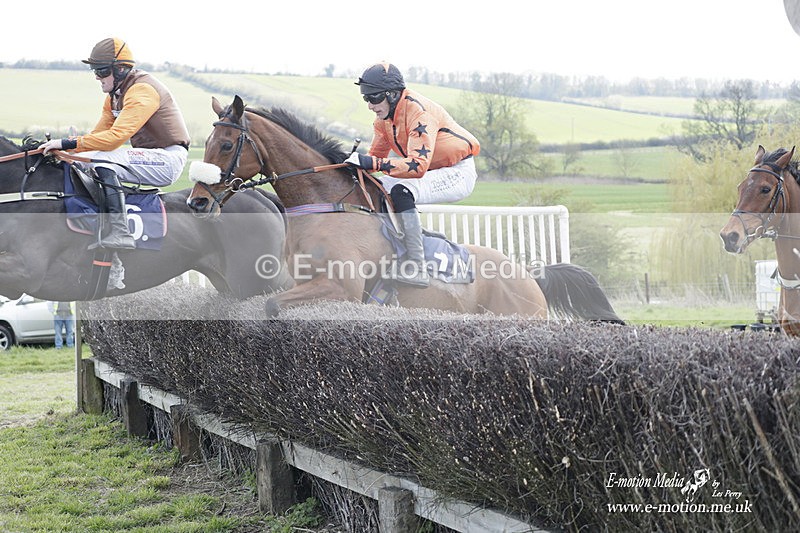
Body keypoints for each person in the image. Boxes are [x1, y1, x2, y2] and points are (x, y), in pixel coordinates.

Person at [41, 37, 191, 250]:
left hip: (168, 159)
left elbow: (114, 139)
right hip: (150, 157)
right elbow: (98, 137)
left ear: (120, 69)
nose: (96, 77)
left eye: (101, 71)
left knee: (103, 160)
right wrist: (67, 153)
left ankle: (121, 231)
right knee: (83, 161)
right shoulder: (113, 97)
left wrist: (65, 143)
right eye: (94, 70)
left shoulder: (142, 90)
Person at [345, 62, 480, 288]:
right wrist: (349, 164)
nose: (369, 105)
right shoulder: (383, 121)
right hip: (432, 169)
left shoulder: (418, 113)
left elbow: (417, 166)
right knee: (375, 187)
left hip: (457, 171)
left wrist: (372, 163)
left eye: (374, 97)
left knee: (401, 190)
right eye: (366, 98)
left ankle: (417, 266)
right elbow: (374, 159)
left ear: (392, 94)